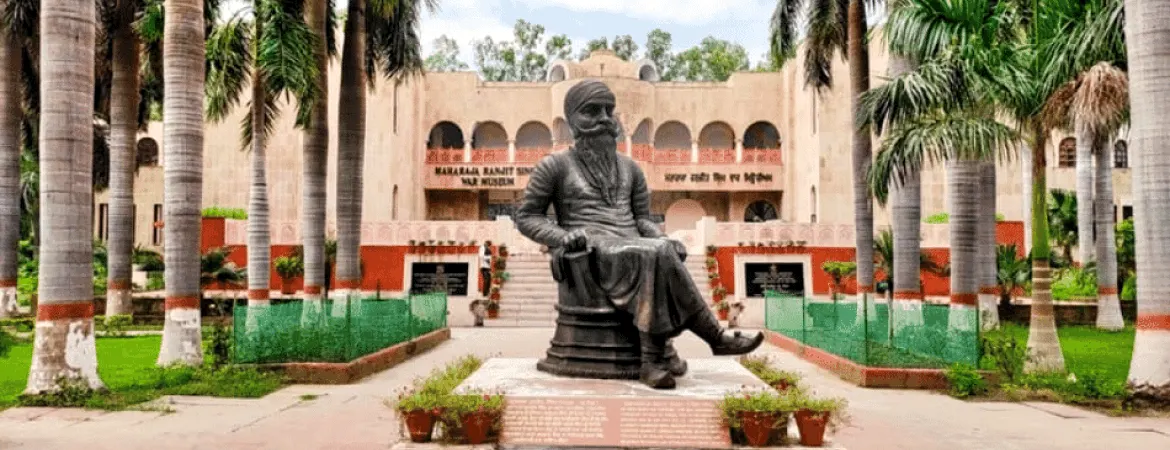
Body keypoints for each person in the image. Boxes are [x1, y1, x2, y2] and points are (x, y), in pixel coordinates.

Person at [514, 79, 763, 389]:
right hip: (591, 246)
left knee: (662, 249)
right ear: (572, 120)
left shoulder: (631, 168)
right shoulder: (554, 166)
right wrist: (561, 237)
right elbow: (527, 216)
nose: (604, 119)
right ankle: (697, 344)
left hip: (631, 242)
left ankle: (666, 355)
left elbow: (643, 220)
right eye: (592, 111)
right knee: (655, 253)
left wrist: (659, 236)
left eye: (609, 111)